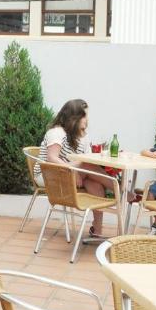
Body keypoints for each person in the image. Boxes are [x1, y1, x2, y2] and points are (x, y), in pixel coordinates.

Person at [35, 99, 110, 238]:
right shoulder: (57, 132)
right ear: (74, 117)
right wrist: (73, 171)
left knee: (95, 184)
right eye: (84, 115)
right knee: (87, 166)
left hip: (69, 173)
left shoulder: (83, 136)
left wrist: (77, 171)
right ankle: (119, 190)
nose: (87, 119)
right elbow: (52, 158)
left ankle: (97, 229)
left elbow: (86, 159)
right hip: (47, 174)